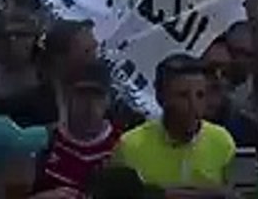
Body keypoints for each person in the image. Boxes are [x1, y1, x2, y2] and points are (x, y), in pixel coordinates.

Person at [112, 54, 235, 193]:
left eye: (200, 95)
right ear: (160, 97)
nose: (193, 105)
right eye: (183, 95)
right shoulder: (130, 146)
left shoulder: (223, 142)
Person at [34, 62, 120, 195]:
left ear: (108, 100)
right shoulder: (43, 142)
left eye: (97, 96)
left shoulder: (121, 145)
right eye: (82, 95)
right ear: (67, 97)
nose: (90, 105)